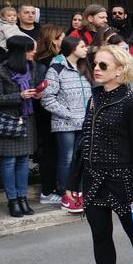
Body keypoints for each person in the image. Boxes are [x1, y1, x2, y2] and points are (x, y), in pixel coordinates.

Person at [65, 45, 133, 264]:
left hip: (122, 179)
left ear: (120, 70)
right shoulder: (94, 98)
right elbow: (84, 141)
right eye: (95, 64)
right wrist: (72, 179)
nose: (96, 69)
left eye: (103, 65)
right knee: (100, 235)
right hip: (93, 179)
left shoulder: (132, 100)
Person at [0, 35, 39, 217]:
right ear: (20, 52)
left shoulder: (31, 67)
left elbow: (30, 90)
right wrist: (20, 96)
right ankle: (13, 200)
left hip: (26, 118)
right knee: (8, 161)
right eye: (30, 49)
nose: (34, 52)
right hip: (7, 122)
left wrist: (35, 94)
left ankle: (23, 198)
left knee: (24, 160)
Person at [40, 34, 91, 212]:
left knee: (81, 159)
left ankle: (78, 192)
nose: (86, 49)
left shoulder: (85, 67)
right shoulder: (56, 68)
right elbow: (47, 98)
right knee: (67, 159)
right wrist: (68, 114)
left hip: (85, 122)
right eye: (83, 46)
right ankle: (65, 194)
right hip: (65, 124)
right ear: (72, 48)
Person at [34, 24, 64, 205]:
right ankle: (48, 190)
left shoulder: (53, 59)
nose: (65, 40)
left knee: (54, 152)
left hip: (51, 112)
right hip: (47, 112)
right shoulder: (48, 62)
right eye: (62, 37)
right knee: (50, 152)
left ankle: (53, 188)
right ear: (53, 39)